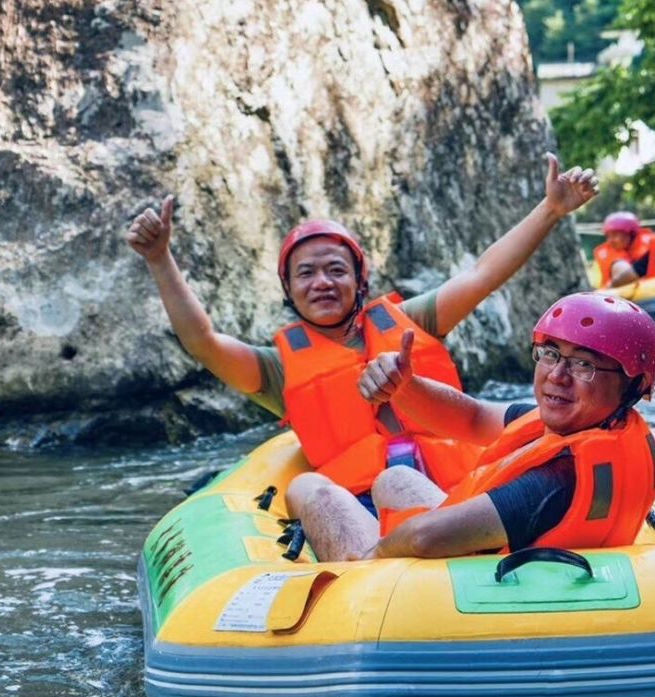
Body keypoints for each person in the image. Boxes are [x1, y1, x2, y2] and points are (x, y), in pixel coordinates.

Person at [127, 153, 598, 497]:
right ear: (288, 290)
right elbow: (202, 341)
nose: (322, 282)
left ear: (359, 280)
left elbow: (482, 275)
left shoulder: (411, 321)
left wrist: (551, 210)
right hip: (364, 501)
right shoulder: (277, 369)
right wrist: (159, 258)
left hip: (459, 487)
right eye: (306, 273)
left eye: (336, 269)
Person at [286, 292, 655, 562]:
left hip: (472, 584)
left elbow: (425, 536)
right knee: (394, 478)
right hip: (494, 554)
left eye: (584, 365)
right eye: (550, 355)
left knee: (313, 491)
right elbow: (472, 417)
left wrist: (376, 555)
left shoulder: (559, 476)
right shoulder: (594, 426)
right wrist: (405, 387)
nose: (557, 376)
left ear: (633, 385)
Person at [592, 211, 650, 286]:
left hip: (650, 290)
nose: (610, 241)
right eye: (608, 236)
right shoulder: (604, 253)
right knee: (619, 265)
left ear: (630, 234)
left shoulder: (650, 246)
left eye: (614, 235)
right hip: (614, 292)